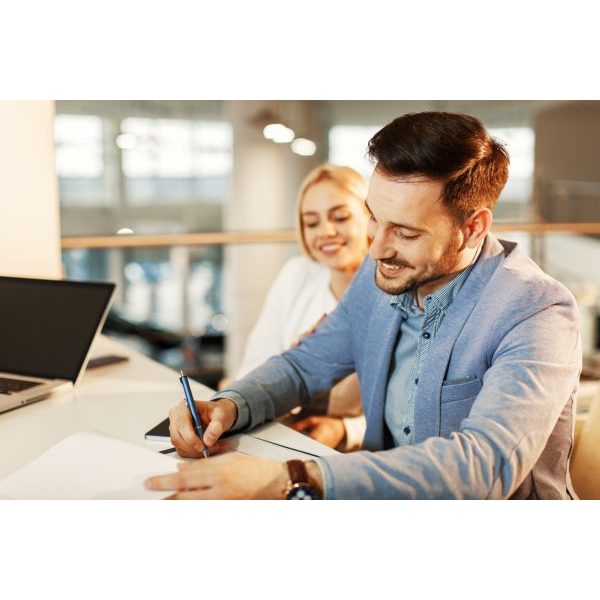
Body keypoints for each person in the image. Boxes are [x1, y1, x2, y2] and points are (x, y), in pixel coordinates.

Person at [145, 111, 581, 500]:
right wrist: (230, 405)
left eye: (406, 233)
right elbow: (304, 365)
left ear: (472, 227)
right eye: (374, 217)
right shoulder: (383, 279)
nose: (376, 249)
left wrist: (291, 478)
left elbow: (483, 468)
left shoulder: (537, 311)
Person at [232, 164, 370, 450]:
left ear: (371, 217)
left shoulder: (395, 289)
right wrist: (295, 360)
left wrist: (346, 430)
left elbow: (410, 409)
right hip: (283, 432)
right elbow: (251, 369)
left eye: (340, 217)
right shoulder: (298, 274)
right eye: (312, 223)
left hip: (360, 451)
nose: (326, 232)